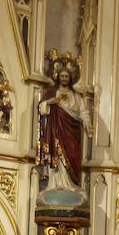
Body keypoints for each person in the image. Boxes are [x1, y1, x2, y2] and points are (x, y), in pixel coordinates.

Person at [37, 54, 89, 188]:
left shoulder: (76, 96)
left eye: (67, 76)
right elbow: (41, 108)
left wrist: (88, 124)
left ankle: (70, 184)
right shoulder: (51, 93)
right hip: (55, 131)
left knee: (72, 157)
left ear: (70, 78)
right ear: (58, 77)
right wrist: (49, 102)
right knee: (57, 156)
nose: (64, 78)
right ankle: (55, 184)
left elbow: (83, 112)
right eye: (62, 76)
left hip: (72, 133)